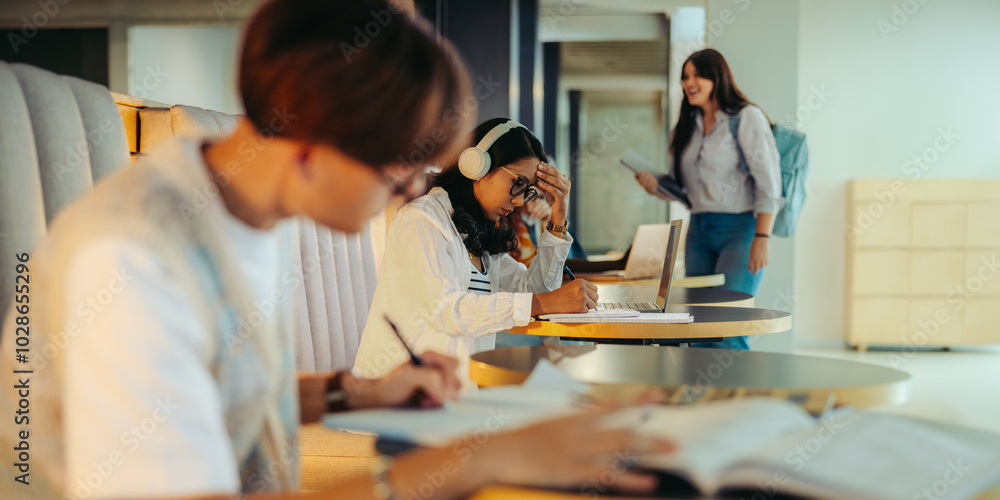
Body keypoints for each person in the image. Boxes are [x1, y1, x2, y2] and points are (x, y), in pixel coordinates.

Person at [0, 1, 668, 499]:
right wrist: (475, 459)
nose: (411, 191)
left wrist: (360, 392)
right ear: (312, 146)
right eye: (397, 171)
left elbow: (216, 396)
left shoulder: (237, 208)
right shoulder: (133, 260)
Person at [354, 118, 599, 388]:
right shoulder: (423, 219)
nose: (519, 201)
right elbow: (446, 311)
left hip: (451, 390)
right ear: (477, 165)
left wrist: (558, 216)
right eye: (517, 183)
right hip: (395, 396)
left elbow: (536, 288)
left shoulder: (476, 233)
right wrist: (543, 303)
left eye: (528, 191)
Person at [634, 48, 783, 350]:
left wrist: (762, 237)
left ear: (717, 77)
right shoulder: (687, 127)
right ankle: (705, 395)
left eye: (696, 75)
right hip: (699, 230)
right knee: (698, 325)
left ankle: (738, 395)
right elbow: (689, 193)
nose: (689, 82)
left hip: (740, 231)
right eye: (685, 77)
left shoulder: (745, 118)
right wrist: (656, 187)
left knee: (728, 324)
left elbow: (769, 182)